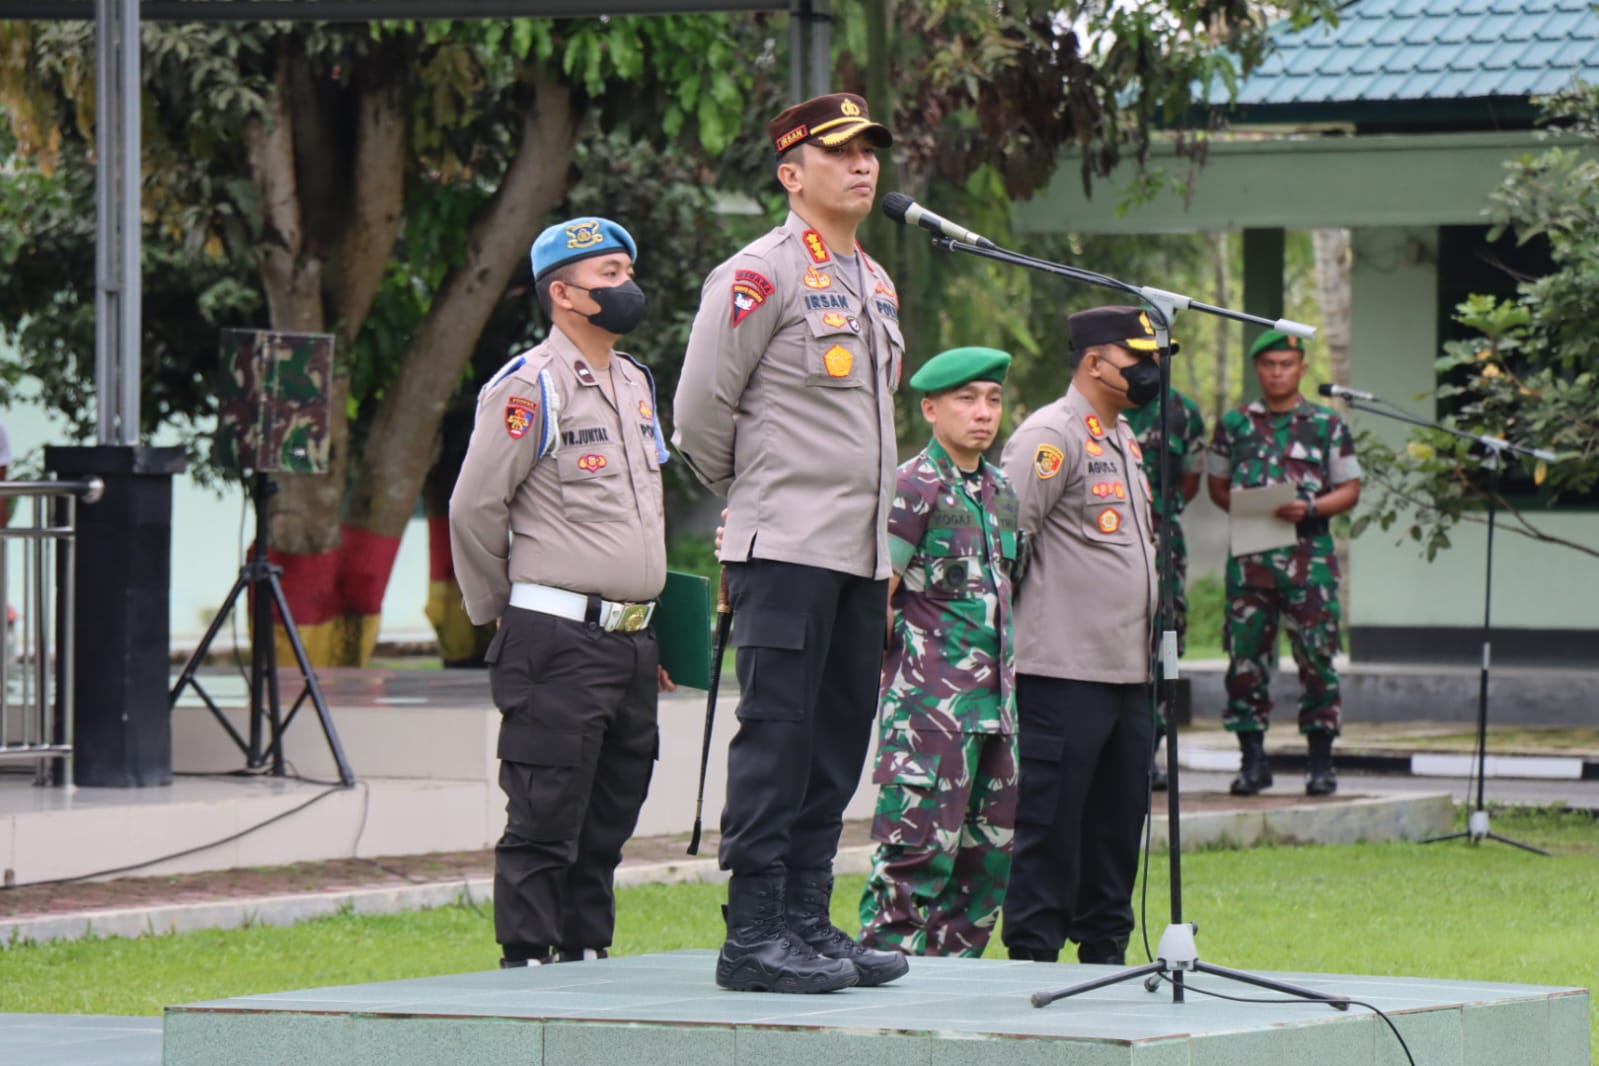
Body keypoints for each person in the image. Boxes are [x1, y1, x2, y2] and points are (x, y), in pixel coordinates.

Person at [673, 92, 910, 994]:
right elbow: (698, 415)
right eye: (841, 151)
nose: (862, 165)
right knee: (776, 739)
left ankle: (807, 923)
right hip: (784, 551)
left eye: (869, 151)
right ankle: (753, 936)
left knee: (837, 740)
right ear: (790, 172)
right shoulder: (756, 274)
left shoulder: (875, 282)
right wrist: (760, 498)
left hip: (859, 558)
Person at [449, 216, 673, 969]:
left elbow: (641, 515)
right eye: (608, 275)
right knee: (546, 814)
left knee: (610, 814)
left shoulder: (635, 381)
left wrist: (657, 628)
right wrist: (497, 616)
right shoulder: (529, 386)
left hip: (630, 642)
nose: (626, 286)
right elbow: (473, 507)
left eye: (625, 270)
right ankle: (525, 966)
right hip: (555, 639)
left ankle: (584, 956)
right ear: (563, 294)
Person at [998, 305, 1159, 967]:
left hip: (1128, 673)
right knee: (1049, 825)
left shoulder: (1123, 438)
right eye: (1137, 359)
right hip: (1062, 673)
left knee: (1117, 829)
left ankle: (1105, 951)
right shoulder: (1049, 435)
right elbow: (1006, 543)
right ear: (1094, 361)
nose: (1150, 373)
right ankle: (1032, 957)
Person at [856, 347, 1021, 960]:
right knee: (912, 862)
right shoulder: (911, 486)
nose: (983, 413)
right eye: (966, 399)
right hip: (930, 716)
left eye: (993, 400)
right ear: (929, 408)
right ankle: (880, 993)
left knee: (984, 872)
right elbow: (880, 596)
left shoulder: (1000, 490)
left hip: (996, 715)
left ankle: (951, 1000)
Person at [1207, 330, 1361, 797]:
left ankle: (1320, 765)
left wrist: (1311, 509)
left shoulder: (1325, 424)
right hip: (1250, 564)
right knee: (1245, 663)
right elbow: (1216, 485)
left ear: (1302, 368)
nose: (1277, 372)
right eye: (1269, 364)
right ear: (1257, 369)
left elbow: (1350, 489)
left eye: (1286, 364)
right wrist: (1247, 506)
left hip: (1309, 563)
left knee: (1317, 659)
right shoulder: (1234, 424)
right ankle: (1253, 762)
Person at [1123, 385, 1206, 789]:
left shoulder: (1181, 411)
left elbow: (1191, 478)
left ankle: (1150, 753)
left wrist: (1159, 513)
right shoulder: (1101, 402)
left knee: (1165, 644)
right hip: (1112, 540)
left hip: (1163, 541)